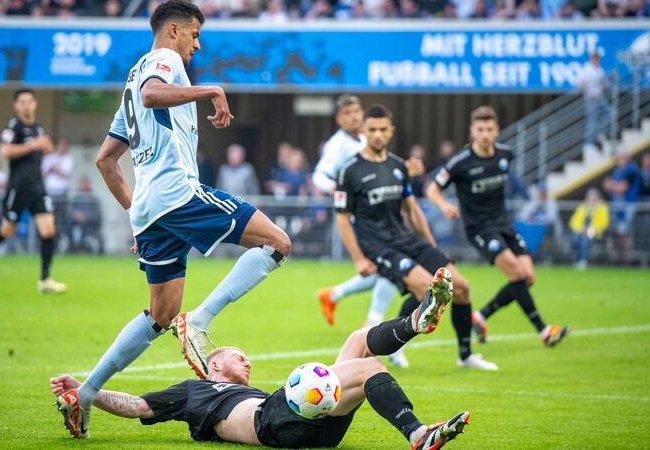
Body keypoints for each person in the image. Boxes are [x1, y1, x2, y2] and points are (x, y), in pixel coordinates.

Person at [58, 0, 291, 439]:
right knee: (278, 243)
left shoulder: (129, 84)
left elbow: (106, 161)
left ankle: (85, 393)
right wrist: (213, 90)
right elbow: (153, 93)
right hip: (179, 193)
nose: (197, 45)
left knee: (159, 315)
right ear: (173, 32)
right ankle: (200, 320)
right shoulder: (162, 61)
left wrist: (138, 215)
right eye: (195, 35)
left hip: (151, 207)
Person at [53, 268, 470, 449]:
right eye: (239, 357)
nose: (247, 361)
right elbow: (138, 406)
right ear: (214, 365)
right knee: (370, 366)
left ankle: (415, 323)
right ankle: (417, 434)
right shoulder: (195, 391)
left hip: (302, 421)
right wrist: (88, 390)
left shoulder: (247, 387)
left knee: (359, 339)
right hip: (272, 422)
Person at [336, 104, 497, 370]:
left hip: (408, 240)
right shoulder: (350, 170)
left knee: (461, 287)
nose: (377, 134)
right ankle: (389, 345)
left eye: (382, 129)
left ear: (391, 131)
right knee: (427, 289)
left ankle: (465, 356)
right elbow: (342, 219)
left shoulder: (398, 166)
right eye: (372, 129)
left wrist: (431, 247)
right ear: (363, 131)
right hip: (380, 247)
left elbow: (412, 210)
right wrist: (358, 259)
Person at [426, 106, 569, 348]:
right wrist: (444, 206)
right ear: (472, 131)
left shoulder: (505, 154)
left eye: (489, 129)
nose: (485, 134)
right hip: (479, 229)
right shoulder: (460, 162)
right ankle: (544, 331)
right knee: (516, 273)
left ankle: (479, 317)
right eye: (480, 129)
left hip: (504, 224)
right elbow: (431, 188)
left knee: (528, 278)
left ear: (497, 131)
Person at [312, 94, 401, 366]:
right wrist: (339, 191)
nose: (353, 116)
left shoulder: (367, 138)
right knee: (391, 266)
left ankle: (336, 296)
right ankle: (373, 326)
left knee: (384, 268)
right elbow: (319, 175)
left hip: (378, 213)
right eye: (347, 113)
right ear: (339, 119)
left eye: (356, 111)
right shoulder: (337, 145)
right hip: (359, 216)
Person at [0, 89, 67, 294]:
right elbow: (5, 151)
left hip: (37, 187)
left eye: (29, 101)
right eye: (22, 102)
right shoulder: (14, 126)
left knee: (48, 230)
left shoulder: (38, 128)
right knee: (6, 231)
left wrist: (46, 146)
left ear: (35, 104)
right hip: (18, 187)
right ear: (16, 106)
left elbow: (46, 148)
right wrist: (33, 145)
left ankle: (45, 279)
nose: (26, 105)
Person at [603, 151, 641, 265]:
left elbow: (623, 188)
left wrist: (612, 185)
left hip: (628, 205)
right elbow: (605, 185)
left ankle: (626, 259)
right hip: (616, 205)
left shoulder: (632, 170)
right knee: (616, 232)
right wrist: (614, 186)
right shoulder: (617, 169)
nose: (619, 159)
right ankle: (618, 258)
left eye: (621, 157)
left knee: (626, 232)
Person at [569, 188, 609, 270]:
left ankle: (583, 261)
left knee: (585, 239)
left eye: (594, 199)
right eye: (589, 198)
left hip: (594, 232)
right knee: (574, 238)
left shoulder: (602, 208)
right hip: (581, 230)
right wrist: (581, 229)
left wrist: (589, 229)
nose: (591, 201)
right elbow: (573, 221)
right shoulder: (582, 207)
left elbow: (604, 223)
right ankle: (575, 259)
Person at [578, 50, 611, 147]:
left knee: (611, 113)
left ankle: (600, 132)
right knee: (592, 121)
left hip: (599, 97)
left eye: (599, 59)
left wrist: (606, 83)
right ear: (592, 59)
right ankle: (588, 143)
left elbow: (604, 84)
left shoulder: (600, 70)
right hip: (590, 99)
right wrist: (588, 93)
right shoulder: (586, 69)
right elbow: (581, 83)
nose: (597, 61)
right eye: (596, 59)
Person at [69, 176, 103, 253]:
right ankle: (73, 248)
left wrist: (86, 217)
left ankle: (85, 247)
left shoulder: (94, 199)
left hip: (90, 225)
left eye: (86, 183)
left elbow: (97, 214)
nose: (84, 185)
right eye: (83, 183)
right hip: (76, 224)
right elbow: (70, 211)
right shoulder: (76, 198)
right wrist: (76, 216)